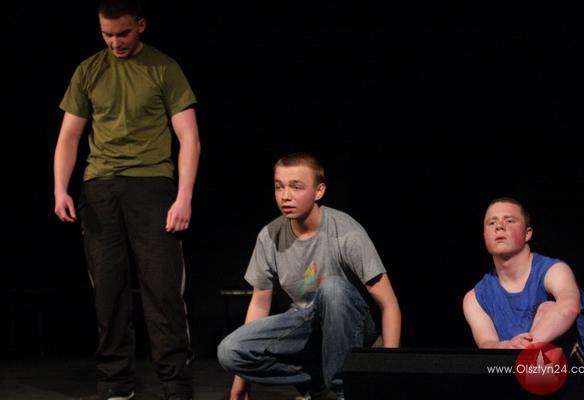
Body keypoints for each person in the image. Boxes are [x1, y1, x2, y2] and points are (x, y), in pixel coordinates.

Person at [53, 1, 200, 399]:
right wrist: (60, 188)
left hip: (152, 186)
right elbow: (69, 136)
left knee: (162, 290)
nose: (115, 42)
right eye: (107, 34)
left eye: (123, 33)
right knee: (108, 291)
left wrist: (183, 197)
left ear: (141, 26)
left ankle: (176, 385)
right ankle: (116, 383)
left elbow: (189, 136)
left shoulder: (164, 68)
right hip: (100, 188)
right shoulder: (89, 70)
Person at [217, 152, 401, 400]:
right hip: (306, 327)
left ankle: (342, 390)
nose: (285, 196)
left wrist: (389, 370)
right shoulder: (269, 235)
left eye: (296, 187)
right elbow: (260, 303)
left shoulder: (346, 232)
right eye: (279, 187)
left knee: (332, 288)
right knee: (230, 351)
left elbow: (389, 304)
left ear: (319, 191)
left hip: (352, 328)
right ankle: (316, 381)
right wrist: (241, 382)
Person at [463, 197, 584, 399]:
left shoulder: (554, 270)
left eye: (509, 220)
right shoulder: (474, 297)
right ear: (484, 236)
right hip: (517, 384)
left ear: (528, 233)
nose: (499, 226)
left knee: (547, 308)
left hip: (572, 382)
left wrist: (526, 347)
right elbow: (487, 343)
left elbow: (569, 306)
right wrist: (504, 347)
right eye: (491, 222)